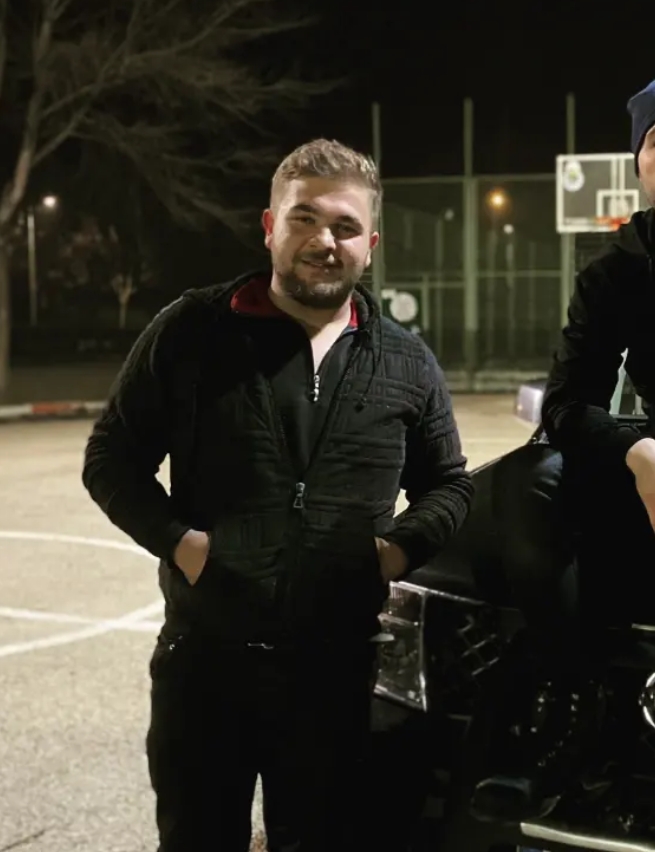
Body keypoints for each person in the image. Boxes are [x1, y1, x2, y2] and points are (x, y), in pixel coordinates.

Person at [82, 138, 473, 852]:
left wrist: (392, 553)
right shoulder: (191, 332)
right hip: (205, 665)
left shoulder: (407, 362)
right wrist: (185, 546)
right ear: (270, 226)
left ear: (371, 244)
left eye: (346, 227)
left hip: (335, 674)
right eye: (305, 218)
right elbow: (112, 458)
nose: (325, 241)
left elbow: (448, 483)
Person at [471, 79, 655, 824]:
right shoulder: (617, 272)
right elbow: (565, 407)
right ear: (639, 162)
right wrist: (639, 448)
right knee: (528, 479)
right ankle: (570, 697)